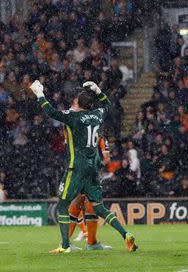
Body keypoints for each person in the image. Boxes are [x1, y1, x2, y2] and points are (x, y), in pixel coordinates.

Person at [29, 79, 137, 253]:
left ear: (78, 104)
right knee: (99, 207)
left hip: (76, 167)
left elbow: (50, 111)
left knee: (63, 204)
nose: (72, 103)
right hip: (93, 167)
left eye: (74, 101)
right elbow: (107, 104)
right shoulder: (97, 114)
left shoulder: (73, 117)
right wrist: (98, 91)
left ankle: (65, 245)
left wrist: (39, 94)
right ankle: (126, 234)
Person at [68, 135, 112, 250]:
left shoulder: (98, 138)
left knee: (89, 206)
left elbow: (107, 159)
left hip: (89, 175)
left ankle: (91, 242)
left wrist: (95, 167)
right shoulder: (84, 135)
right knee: (78, 204)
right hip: (83, 175)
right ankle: (67, 242)